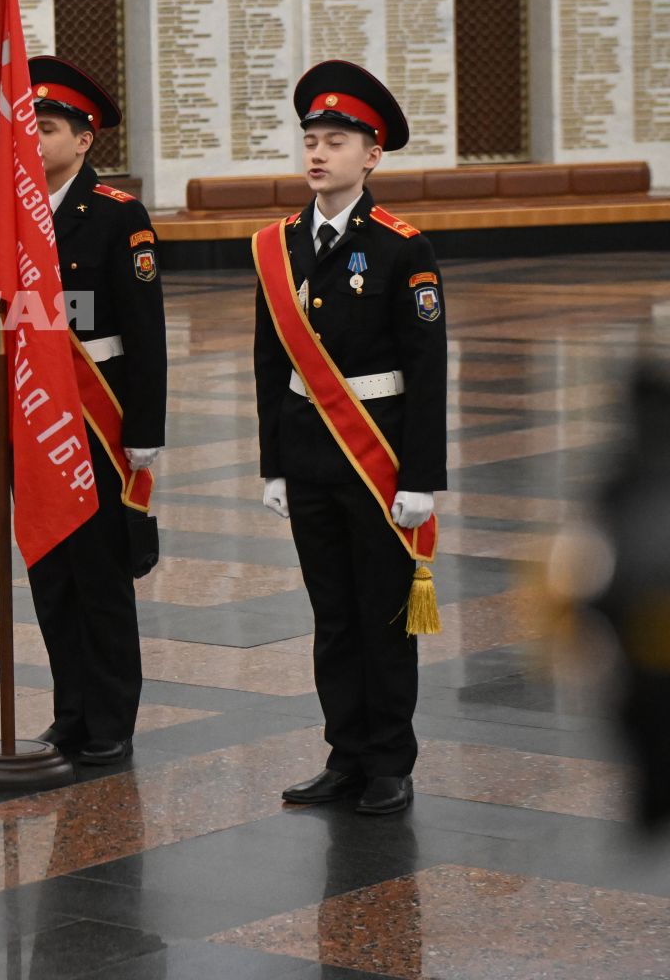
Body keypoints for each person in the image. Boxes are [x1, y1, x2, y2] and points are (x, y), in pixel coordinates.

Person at [255, 60, 447, 816]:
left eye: (335, 140)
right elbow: (270, 360)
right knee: (332, 617)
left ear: (372, 155)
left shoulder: (403, 248)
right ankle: (345, 756)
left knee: (384, 616)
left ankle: (390, 762)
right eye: (310, 138)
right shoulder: (279, 245)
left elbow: (428, 370)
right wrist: (273, 461)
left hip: (380, 459)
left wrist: (420, 478)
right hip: (308, 454)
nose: (317, 153)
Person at [25, 56, 166, 765]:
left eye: (46, 128)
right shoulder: (15, 217)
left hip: (98, 413)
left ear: (83, 140)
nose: (34, 138)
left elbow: (146, 334)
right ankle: (70, 710)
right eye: (28, 125)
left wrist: (144, 434)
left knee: (100, 577)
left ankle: (110, 719)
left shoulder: (115, 215)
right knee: (51, 573)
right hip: (36, 415)